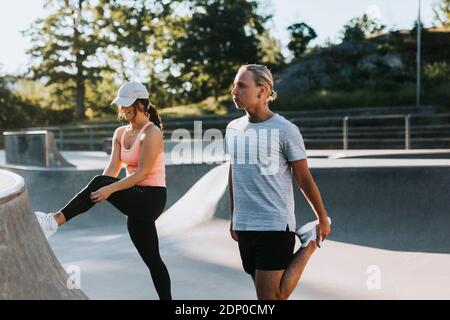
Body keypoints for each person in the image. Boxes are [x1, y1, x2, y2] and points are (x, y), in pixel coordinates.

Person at [35, 82, 172, 300]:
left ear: (142, 104)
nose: (123, 109)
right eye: (121, 105)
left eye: (128, 105)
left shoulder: (152, 132)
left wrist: (109, 188)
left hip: (151, 198)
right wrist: (103, 186)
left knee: (102, 183)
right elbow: (112, 170)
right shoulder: (120, 133)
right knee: (153, 261)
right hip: (134, 196)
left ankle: (54, 221)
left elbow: (142, 173)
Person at [225, 64, 332, 300]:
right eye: (234, 85)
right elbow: (234, 173)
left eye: (242, 85)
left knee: (270, 298)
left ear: (262, 91)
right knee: (272, 296)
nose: (234, 91)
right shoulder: (233, 128)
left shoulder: (286, 130)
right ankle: (309, 243)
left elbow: (303, 177)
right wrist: (234, 215)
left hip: (274, 224)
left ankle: (310, 244)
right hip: (244, 225)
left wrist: (322, 218)